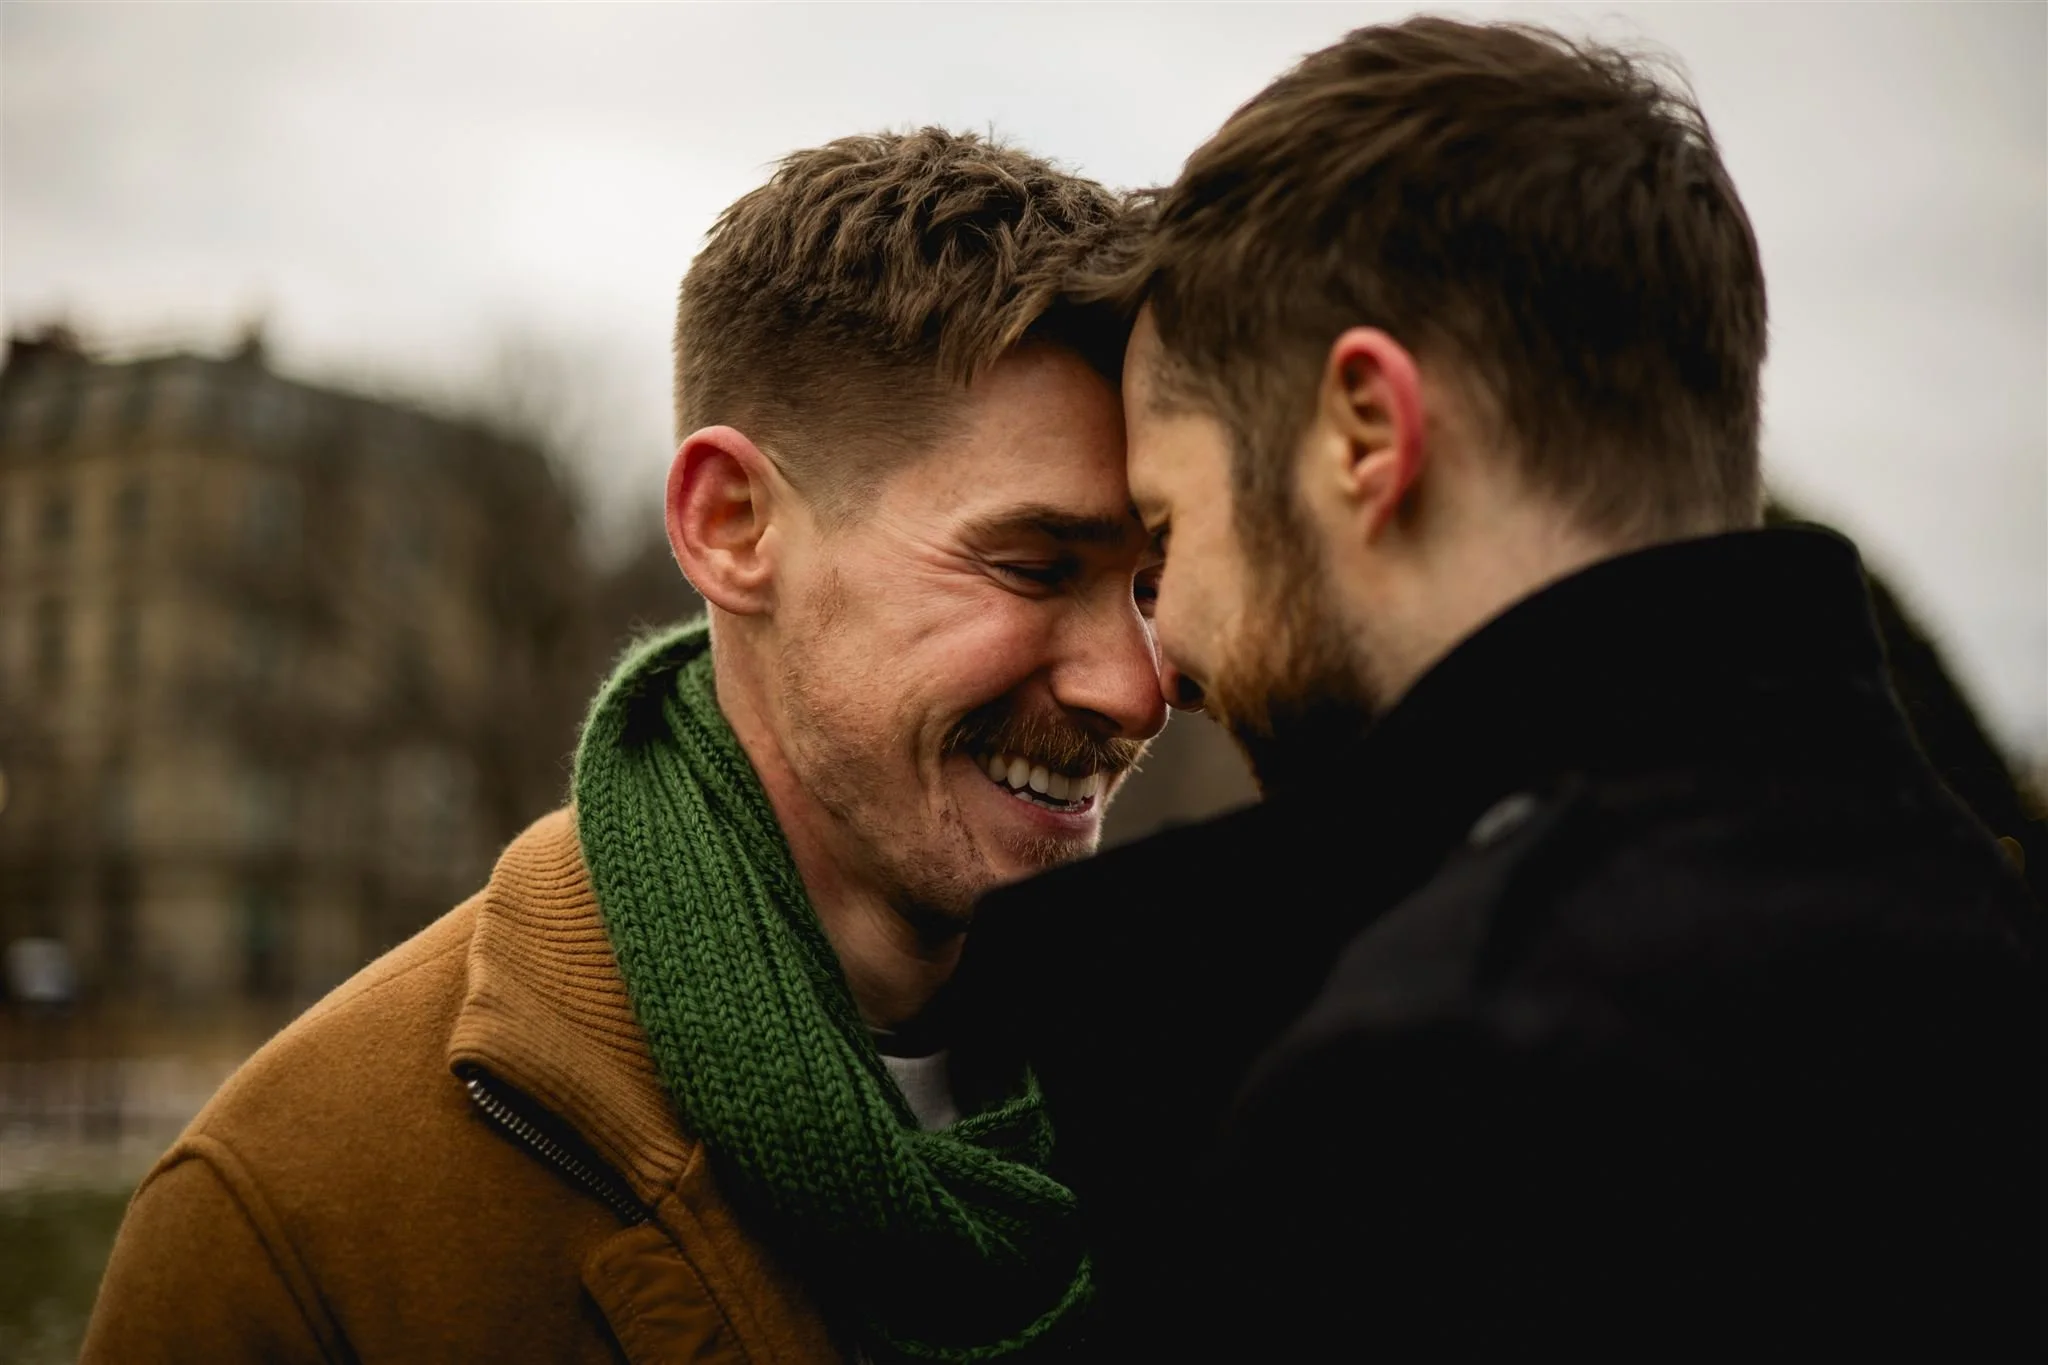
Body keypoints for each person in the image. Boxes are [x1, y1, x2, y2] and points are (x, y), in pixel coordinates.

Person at [957, 19, 2041, 1362]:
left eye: (1168, 537)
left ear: (1368, 435)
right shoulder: (1981, 931)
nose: (1161, 662)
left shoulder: (1451, 1085)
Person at [84, 129, 1165, 1363]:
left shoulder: (1216, 1101)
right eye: (1033, 566)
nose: (1135, 690)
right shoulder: (291, 1216)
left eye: (1149, 584)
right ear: (730, 526)